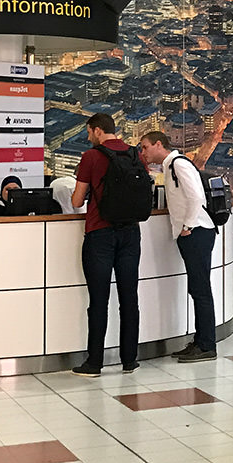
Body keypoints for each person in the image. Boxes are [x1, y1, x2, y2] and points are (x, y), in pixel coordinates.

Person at [70, 114, 145, 377]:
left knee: (99, 300)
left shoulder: (91, 157)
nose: (89, 137)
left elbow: (77, 200)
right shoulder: (135, 154)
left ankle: (94, 363)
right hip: (131, 233)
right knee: (129, 298)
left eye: (90, 132)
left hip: (100, 233)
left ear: (98, 131)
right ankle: (129, 360)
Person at [138, 131, 218, 363]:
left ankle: (207, 345)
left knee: (201, 289)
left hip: (197, 232)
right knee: (197, 288)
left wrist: (188, 226)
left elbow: (196, 197)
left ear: (158, 144)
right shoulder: (171, 165)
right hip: (194, 232)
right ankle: (201, 340)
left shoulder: (178, 164)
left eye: (145, 147)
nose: (143, 152)